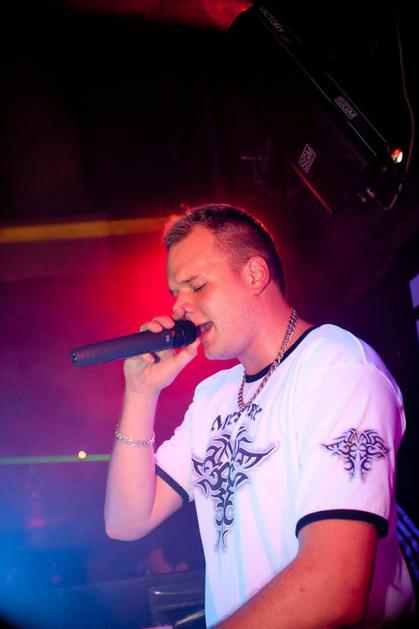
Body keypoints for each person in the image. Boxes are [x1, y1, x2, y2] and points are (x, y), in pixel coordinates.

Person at [104, 203, 415, 627]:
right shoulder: (212, 396)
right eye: (176, 292)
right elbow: (125, 521)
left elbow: (335, 587)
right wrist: (141, 393)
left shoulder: (337, 368)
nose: (179, 307)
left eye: (196, 286)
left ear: (254, 275)